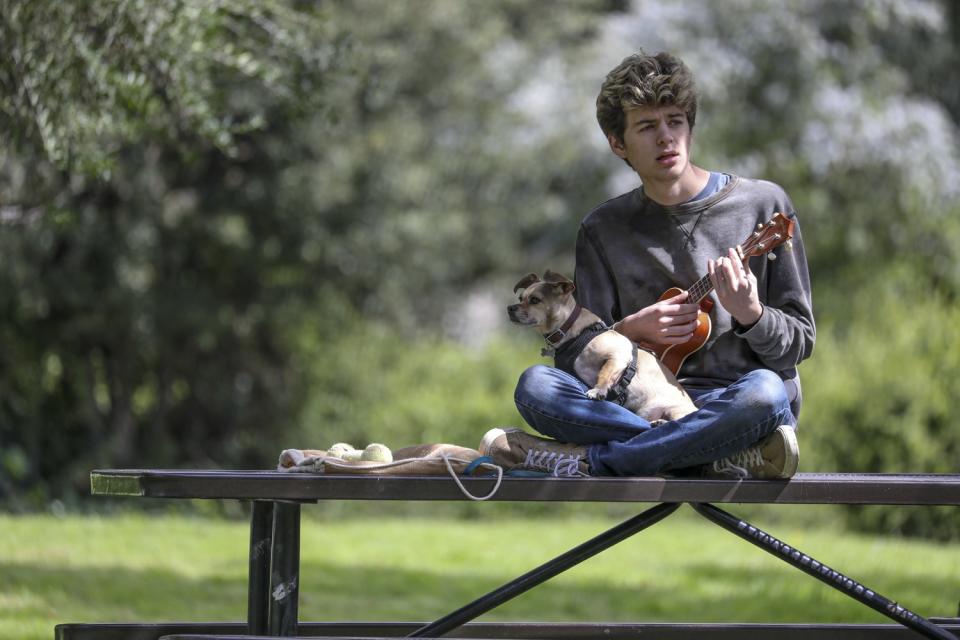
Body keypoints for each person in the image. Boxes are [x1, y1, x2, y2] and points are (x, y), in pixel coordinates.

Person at [480, 51, 815, 479]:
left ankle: (590, 462)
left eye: (675, 121)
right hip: (636, 405)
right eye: (647, 126)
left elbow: (800, 343)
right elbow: (574, 365)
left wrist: (751, 314)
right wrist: (628, 331)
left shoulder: (763, 206)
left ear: (691, 128)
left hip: (731, 402)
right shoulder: (602, 229)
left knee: (767, 394)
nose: (666, 138)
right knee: (536, 387)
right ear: (618, 143)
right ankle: (712, 454)